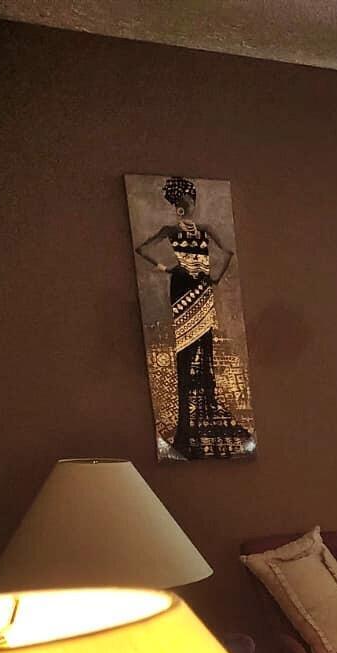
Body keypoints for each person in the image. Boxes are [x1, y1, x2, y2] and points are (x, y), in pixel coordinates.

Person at [135, 177, 250, 458]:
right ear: (179, 206)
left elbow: (228, 254)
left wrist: (215, 279)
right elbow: (142, 249)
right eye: (183, 202)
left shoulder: (205, 230)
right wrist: (168, 268)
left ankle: (204, 413)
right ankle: (186, 425)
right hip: (183, 288)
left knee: (204, 349)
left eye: (188, 201)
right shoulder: (170, 230)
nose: (187, 206)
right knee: (185, 352)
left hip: (199, 289)